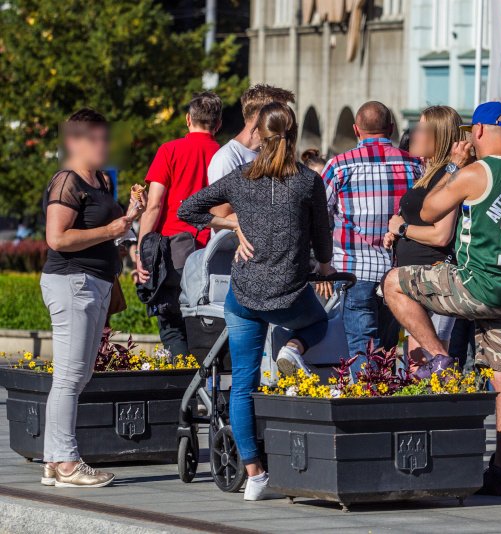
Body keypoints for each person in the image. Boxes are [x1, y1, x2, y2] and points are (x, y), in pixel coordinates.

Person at [383, 101, 501, 496]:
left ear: (480, 132)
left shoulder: (478, 172)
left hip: (475, 284)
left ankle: (440, 358)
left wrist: (453, 170)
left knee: (394, 283)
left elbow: (428, 208)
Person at [178, 102, 334, 501]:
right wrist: (326, 268)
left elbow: (187, 209)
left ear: (257, 136)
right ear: (294, 134)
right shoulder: (305, 182)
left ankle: (255, 474)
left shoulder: (240, 178)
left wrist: (231, 223)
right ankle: (294, 350)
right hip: (289, 295)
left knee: (243, 384)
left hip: (243, 297)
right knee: (318, 323)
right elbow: (321, 235)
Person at [40, 109, 145, 488]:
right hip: (72, 282)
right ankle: (67, 462)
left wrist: (129, 218)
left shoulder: (100, 180)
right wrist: (112, 228)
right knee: (70, 376)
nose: (104, 145)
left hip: (95, 283)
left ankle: (55, 460)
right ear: (75, 141)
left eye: (106, 137)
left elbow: (109, 231)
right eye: (95, 139)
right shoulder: (66, 181)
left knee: (76, 375)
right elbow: (57, 238)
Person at [321, 101, 422, 359]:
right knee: (388, 349)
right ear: (391, 128)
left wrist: (322, 263)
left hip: (355, 270)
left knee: (361, 348)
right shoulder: (415, 166)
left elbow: (320, 216)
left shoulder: (339, 166)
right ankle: (384, 398)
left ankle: (366, 398)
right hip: (399, 271)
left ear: (356, 130)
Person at [136, 91, 223, 357]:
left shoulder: (169, 150)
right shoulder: (224, 155)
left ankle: (183, 389)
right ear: (218, 124)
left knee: (172, 328)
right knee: (208, 329)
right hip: (214, 254)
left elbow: (154, 205)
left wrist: (141, 251)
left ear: (188, 119)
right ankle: (206, 391)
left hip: (172, 257)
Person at [382, 105, 467, 371]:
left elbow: (442, 235)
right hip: (415, 279)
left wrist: (403, 230)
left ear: (438, 136)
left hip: (435, 278)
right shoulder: (430, 173)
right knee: (418, 368)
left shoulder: (450, 175)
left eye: (420, 128)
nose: (414, 134)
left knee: (433, 366)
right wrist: (397, 233)